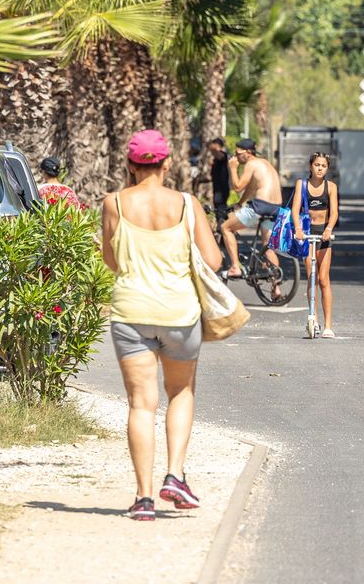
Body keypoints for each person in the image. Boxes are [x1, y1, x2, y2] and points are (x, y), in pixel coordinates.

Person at [100, 130, 222, 521]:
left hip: (131, 311)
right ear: (167, 163)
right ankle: (175, 475)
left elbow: (110, 260)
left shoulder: (113, 203)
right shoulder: (187, 204)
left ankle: (144, 498)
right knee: (181, 392)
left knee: (140, 403)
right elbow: (214, 261)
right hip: (179, 313)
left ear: (131, 165)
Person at [220, 138, 284, 298]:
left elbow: (238, 186)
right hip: (276, 208)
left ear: (248, 153)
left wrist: (232, 168)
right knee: (267, 247)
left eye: (237, 154)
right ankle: (276, 288)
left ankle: (235, 266)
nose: (235, 157)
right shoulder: (265, 164)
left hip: (261, 205)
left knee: (225, 228)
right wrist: (240, 203)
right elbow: (251, 187)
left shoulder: (251, 164)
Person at [291, 152, 340, 337]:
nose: (320, 168)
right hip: (306, 233)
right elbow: (295, 210)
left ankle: (328, 325)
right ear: (310, 166)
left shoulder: (331, 187)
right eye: (317, 165)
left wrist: (328, 229)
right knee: (312, 277)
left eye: (323, 166)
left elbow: (334, 212)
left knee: (323, 279)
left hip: (323, 235)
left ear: (327, 168)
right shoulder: (301, 184)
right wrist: (298, 229)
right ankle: (314, 319)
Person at [206, 138, 231, 222]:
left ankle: (223, 227)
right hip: (217, 188)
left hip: (221, 189)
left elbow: (221, 156)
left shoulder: (222, 155)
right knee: (219, 209)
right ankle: (224, 227)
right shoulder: (215, 159)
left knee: (220, 210)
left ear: (217, 145)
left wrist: (215, 150)